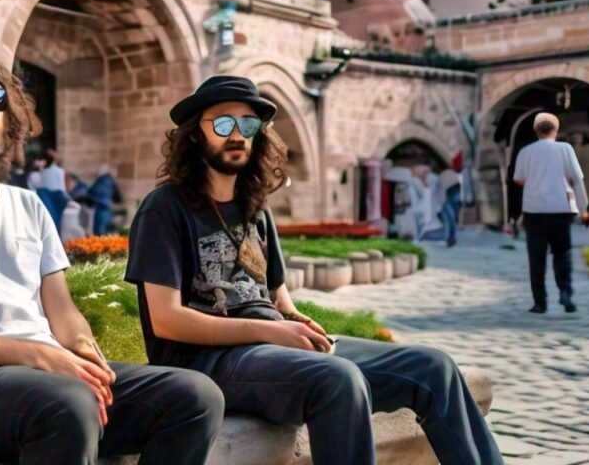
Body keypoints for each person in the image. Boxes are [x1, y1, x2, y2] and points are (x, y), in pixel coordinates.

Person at [126, 75, 503, 465]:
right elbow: (167, 320)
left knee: (433, 367)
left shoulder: (254, 206)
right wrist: (271, 330)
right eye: (223, 123)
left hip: (271, 348)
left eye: (249, 124)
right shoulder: (164, 208)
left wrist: (295, 322)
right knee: (337, 378)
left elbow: (276, 297)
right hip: (208, 361)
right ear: (194, 135)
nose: (237, 134)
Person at [0, 54, 224, 464]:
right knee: (69, 405)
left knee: (195, 397)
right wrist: (42, 355)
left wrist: (81, 348)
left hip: (45, 379)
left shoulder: (28, 205)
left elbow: (62, 309)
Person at [512, 112, 588, 314]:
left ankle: (540, 302)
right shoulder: (565, 149)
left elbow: (518, 179)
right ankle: (565, 292)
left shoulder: (526, 152)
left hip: (534, 210)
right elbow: (577, 178)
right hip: (560, 209)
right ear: (555, 130)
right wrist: (584, 208)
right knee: (562, 254)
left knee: (536, 258)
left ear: (536, 130)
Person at [438, 153, 464, 247]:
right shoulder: (447, 174)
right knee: (450, 220)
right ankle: (450, 238)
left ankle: (450, 237)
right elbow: (444, 189)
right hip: (447, 201)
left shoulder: (458, 175)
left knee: (451, 220)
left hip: (453, 201)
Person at [88, 164, 121, 236]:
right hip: (106, 209)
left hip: (102, 208)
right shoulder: (110, 180)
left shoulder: (103, 181)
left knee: (100, 233)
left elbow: (94, 191)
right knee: (105, 233)